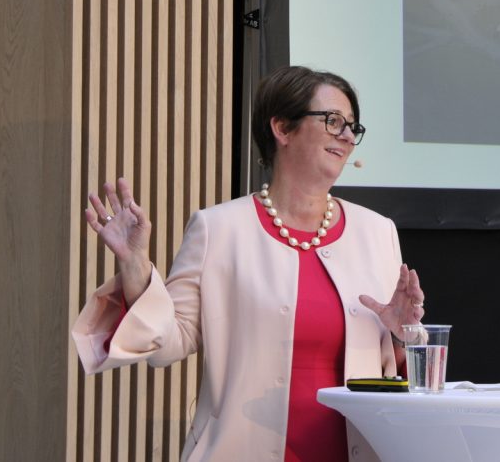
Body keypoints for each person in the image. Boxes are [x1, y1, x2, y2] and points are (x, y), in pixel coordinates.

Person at [72, 66, 425, 462]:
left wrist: (401, 334)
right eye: (332, 121)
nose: (346, 135)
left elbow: (400, 378)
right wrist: (135, 265)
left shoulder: (377, 233)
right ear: (282, 128)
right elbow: (167, 345)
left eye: (352, 127)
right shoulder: (218, 229)